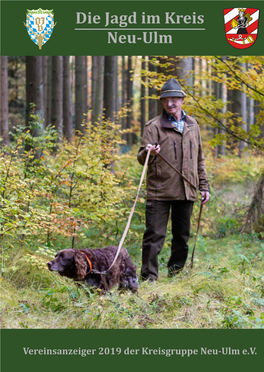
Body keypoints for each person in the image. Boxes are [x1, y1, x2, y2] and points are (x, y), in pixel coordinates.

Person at [137, 78, 210, 281]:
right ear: (162, 102)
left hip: (187, 190)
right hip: (159, 191)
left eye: (175, 99)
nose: (171, 103)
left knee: (182, 238)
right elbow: (141, 157)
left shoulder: (192, 125)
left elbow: (199, 158)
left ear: (182, 100)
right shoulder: (153, 126)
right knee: (154, 237)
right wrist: (149, 152)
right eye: (166, 99)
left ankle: (176, 275)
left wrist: (204, 186)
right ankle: (149, 278)